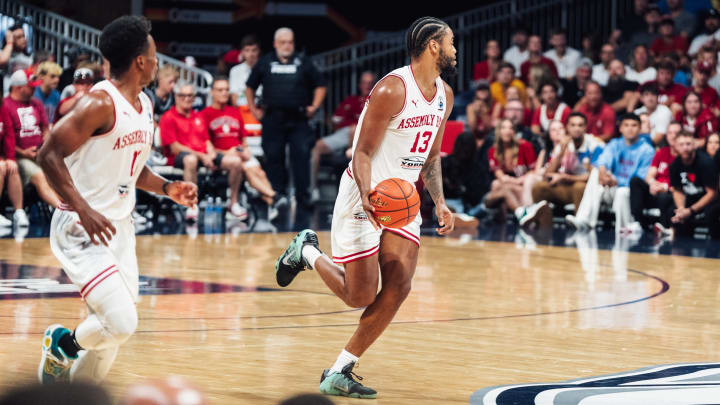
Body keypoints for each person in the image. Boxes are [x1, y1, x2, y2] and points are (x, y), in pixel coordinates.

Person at [274, 16, 457, 398]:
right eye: (450, 42)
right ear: (433, 46)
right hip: (366, 193)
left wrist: (439, 201)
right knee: (358, 295)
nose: (456, 49)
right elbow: (362, 152)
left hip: (403, 201)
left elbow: (433, 156)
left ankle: (340, 369)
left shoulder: (445, 95)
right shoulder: (392, 89)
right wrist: (369, 194)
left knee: (399, 286)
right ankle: (306, 251)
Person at [35, 15, 197, 385]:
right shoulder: (98, 102)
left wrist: (168, 188)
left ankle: (73, 393)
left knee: (110, 334)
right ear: (141, 61)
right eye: (155, 55)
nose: (158, 62)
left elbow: (132, 169)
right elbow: (48, 154)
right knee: (121, 322)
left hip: (118, 227)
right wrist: (84, 209)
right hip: (81, 227)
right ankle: (61, 344)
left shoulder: (145, 106)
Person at [245, 27, 327, 229]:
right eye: (282, 42)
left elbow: (321, 84)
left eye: (289, 42)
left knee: (301, 156)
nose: (286, 46)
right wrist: (254, 110)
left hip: (298, 118)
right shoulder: (265, 62)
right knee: (274, 156)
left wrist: (314, 107)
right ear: (275, 44)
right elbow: (250, 86)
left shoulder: (303, 62)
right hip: (273, 118)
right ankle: (277, 197)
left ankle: (303, 199)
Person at [160, 82, 246, 221]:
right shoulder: (169, 117)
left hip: (203, 155)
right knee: (191, 160)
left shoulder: (198, 116)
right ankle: (191, 204)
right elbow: (174, 147)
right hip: (179, 157)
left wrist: (211, 153)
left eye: (190, 95)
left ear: (194, 98)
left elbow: (207, 141)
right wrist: (202, 156)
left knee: (236, 162)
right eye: (183, 95)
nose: (187, 99)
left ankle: (233, 203)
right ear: (176, 97)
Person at [200, 76, 284, 219]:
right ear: (212, 92)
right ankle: (273, 197)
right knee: (246, 168)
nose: (224, 93)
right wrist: (227, 152)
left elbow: (243, 139)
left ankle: (272, 202)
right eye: (220, 90)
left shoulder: (235, 112)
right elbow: (206, 146)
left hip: (240, 154)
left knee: (258, 172)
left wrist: (245, 150)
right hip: (223, 158)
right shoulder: (205, 114)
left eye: (226, 90)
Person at [566, 113, 655, 231]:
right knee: (595, 173)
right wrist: (604, 174)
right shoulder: (615, 144)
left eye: (634, 125)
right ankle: (584, 220)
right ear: (621, 128)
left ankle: (626, 229)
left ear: (639, 128)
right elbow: (602, 161)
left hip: (629, 190)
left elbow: (640, 178)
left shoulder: (647, 150)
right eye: (626, 125)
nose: (630, 128)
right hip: (611, 186)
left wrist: (616, 180)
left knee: (622, 192)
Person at [311, 71, 376, 200]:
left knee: (355, 129)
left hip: (367, 136)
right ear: (359, 85)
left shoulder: (377, 101)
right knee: (316, 147)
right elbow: (335, 122)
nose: (367, 86)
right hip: (345, 134)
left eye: (370, 83)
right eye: (364, 82)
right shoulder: (351, 100)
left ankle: (351, 163)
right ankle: (313, 189)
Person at [3, 69, 61, 216]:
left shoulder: (36, 103)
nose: (35, 89)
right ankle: (64, 212)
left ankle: (71, 207)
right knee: (40, 177)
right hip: (20, 157)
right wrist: (23, 153)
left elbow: (45, 129)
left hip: (41, 152)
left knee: (62, 172)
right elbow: (6, 138)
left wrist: (45, 146)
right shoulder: (5, 105)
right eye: (31, 86)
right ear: (18, 87)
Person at [532, 112, 605, 217]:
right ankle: (541, 227)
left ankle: (579, 223)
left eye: (580, 125)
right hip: (566, 187)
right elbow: (548, 174)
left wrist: (566, 177)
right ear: (567, 127)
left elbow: (595, 176)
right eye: (573, 125)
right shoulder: (564, 143)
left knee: (579, 187)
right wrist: (561, 151)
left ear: (585, 127)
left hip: (588, 188)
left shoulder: (595, 145)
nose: (577, 129)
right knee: (539, 187)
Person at [484, 119, 543, 224]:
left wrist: (518, 180)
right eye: (503, 127)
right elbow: (499, 174)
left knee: (498, 186)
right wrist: (508, 179)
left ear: (514, 132)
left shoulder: (525, 146)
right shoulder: (493, 150)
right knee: (496, 184)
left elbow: (534, 171)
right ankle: (516, 215)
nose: (507, 131)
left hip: (525, 185)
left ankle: (484, 210)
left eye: (510, 128)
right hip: (510, 185)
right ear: (498, 131)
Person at [629, 121, 679, 234]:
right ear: (666, 136)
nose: (673, 135)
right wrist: (652, 183)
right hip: (655, 191)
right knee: (635, 181)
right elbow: (650, 175)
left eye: (676, 132)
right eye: (670, 132)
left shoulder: (684, 155)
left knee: (664, 196)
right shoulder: (662, 152)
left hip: (671, 194)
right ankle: (638, 223)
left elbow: (684, 182)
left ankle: (663, 227)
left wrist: (665, 187)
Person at [669, 131, 720, 238]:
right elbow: (677, 190)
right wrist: (681, 209)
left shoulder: (706, 163)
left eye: (688, 144)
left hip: (710, 200)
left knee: (711, 212)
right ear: (675, 147)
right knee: (672, 210)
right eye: (681, 145)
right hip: (690, 198)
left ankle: (714, 247)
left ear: (694, 145)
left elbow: (712, 194)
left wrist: (691, 210)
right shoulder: (675, 165)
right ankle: (676, 241)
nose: (685, 148)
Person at [0, 104, 21, 227]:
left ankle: (19, 212)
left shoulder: (3, 109)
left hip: (2, 158)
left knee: (12, 168)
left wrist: (10, 158)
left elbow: (9, 135)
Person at [229, 34, 261, 107]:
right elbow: (234, 100)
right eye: (247, 50)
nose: (251, 54)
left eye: (254, 50)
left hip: (261, 111)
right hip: (242, 112)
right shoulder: (235, 71)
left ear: (259, 51)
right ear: (242, 52)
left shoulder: (266, 68)